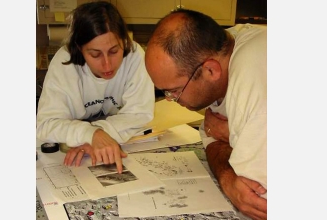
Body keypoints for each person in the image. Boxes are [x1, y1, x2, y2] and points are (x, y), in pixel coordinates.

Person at [145, 9, 267, 220]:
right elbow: (209, 133)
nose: (169, 99)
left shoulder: (252, 80)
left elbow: (257, 201)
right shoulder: (225, 49)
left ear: (210, 71)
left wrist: (232, 137)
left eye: (174, 90)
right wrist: (229, 178)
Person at [36, 1, 155, 173]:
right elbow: (45, 125)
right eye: (95, 54)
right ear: (79, 49)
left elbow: (139, 115)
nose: (107, 65)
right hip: (62, 157)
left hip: (90, 146)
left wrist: (95, 137)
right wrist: (91, 135)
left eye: (114, 51)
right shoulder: (65, 62)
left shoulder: (135, 57)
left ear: (124, 41)